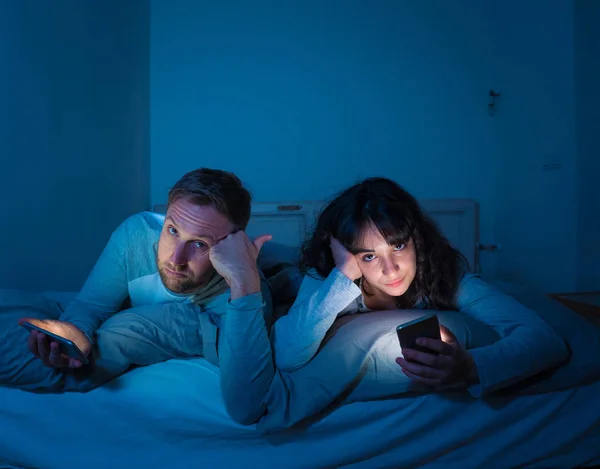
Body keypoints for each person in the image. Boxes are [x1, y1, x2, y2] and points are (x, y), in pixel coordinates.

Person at [2, 168, 274, 425]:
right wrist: (75, 334)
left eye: (200, 244)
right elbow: (91, 304)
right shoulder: (137, 234)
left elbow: (246, 407)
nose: (176, 259)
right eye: (172, 230)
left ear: (233, 244)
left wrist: (244, 282)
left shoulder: (244, 289)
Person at [272, 177, 568, 397]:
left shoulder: (444, 276)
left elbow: (545, 340)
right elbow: (287, 355)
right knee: (279, 270)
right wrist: (343, 273)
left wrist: (469, 366)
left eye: (398, 246)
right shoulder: (327, 278)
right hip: (302, 273)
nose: (391, 270)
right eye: (369, 255)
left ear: (417, 240)